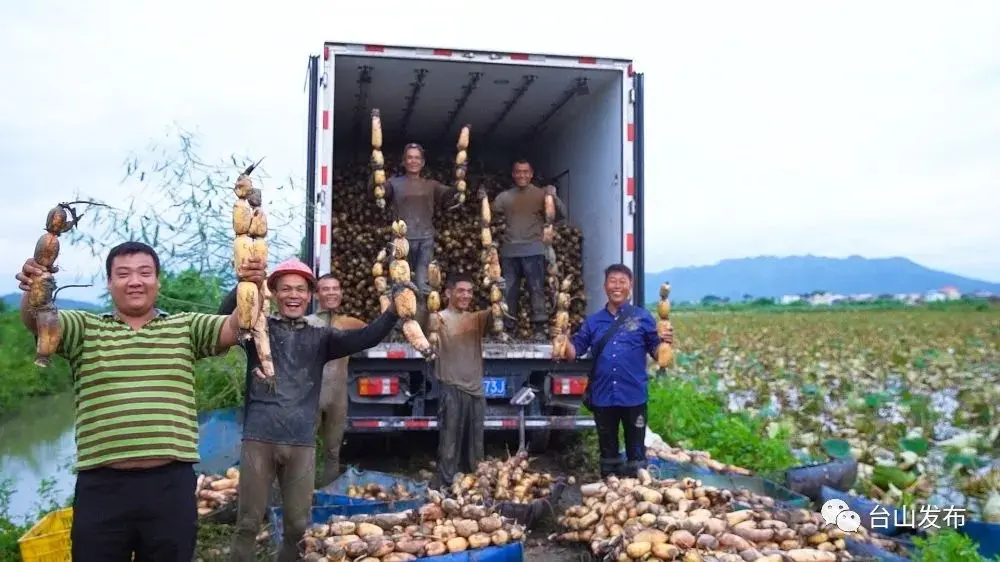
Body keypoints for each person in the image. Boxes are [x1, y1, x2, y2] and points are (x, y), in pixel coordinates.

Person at [14, 241, 266, 562]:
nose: (135, 281)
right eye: (123, 274)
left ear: (157, 281)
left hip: (169, 486)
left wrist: (254, 283)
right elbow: (38, 321)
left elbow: (236, 325)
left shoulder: (185, 327)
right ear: (109, 283)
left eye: (144, 273)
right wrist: (33, 289)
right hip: (102, 488)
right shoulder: (85, 328)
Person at [219, 258, 400, 562]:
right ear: (274, 293)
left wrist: (394, 310)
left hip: (301, 443)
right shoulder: (256, 330)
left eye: (300, 289)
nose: (293, 295)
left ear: (310, 295)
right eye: (286, 288)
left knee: (298, 527)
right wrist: (244, 284)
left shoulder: (322, 337)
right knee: (248, 523)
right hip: (259, 439)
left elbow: (367, 336)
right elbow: (222, 319)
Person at [556, 264, 673, 478]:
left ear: (631, 285)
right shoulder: (593, 322)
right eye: (612, 281)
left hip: (634, 396)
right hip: (603, 397)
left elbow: (657, 353)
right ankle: (610, 495)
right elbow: (575, 351)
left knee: (636, 457)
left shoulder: (643, 318)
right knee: (608, 456)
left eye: (622, 281)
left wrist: (665, 343)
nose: (617, 286)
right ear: (605, 286)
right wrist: (562, 339)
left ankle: (637, 498)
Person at [491, 158, 567, 340]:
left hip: (534, 250)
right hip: (510, 251)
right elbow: (490, 216)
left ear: (531, 174)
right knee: (508, 291)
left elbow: (561, 215)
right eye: (518, 172)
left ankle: (539, 328)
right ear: (513, 174)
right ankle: (508, 328)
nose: (522, 175)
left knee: (536, 289)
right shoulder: (504, 197)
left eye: (525, 172)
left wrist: (554, 197)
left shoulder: (542, 195)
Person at [307, 273, 367, 487]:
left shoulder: (350, 323)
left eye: (335, 288)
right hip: (311, 396)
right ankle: (304, 494)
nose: (331, 292)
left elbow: (375, 332)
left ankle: (329, 493)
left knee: (333, 450)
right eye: (326, 288)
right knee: (306, 449)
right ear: (316, 294)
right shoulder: (307, 323)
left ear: (341, 293)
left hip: (338, 397)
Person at [433, 273, 489, 487]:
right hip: (452, 389)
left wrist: (499, 289)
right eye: (461, 291)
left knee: (476, 445)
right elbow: (424, 325)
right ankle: (446, 486)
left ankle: (473, 487)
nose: (466, 295)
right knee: (449, 444)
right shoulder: (439, 318)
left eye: (469, 291)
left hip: (476, 391)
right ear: (448, 292)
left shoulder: (477, 318)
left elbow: (497, 314)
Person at [384, 143, 457, 294]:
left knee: (423, 284)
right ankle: (399, 316)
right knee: (399, 283)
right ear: (404, 161)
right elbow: (377, 192)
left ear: (422, 162)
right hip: (400, 241)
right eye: (409, 157)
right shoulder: (394, 184)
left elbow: (450, 195)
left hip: (425, 239)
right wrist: (375, 173)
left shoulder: (431, 185)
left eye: (417, 158)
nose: (413, 161)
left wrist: (460, 178)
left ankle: (422, 316)